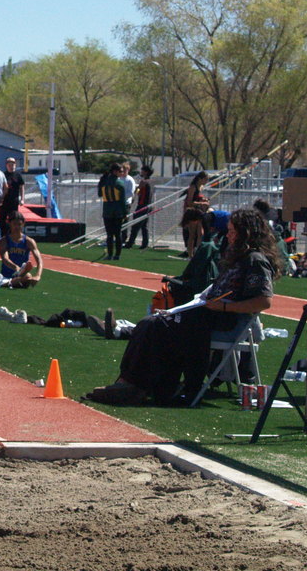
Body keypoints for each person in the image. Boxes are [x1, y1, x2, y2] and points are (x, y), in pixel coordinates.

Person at [87, 207, 280, 406]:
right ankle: (129, 383)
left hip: (226, 322)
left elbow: (264, 301)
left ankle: (138, 386)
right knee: (149, 323)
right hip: (207, 314)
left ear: (246, 233)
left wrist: (222, 307)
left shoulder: (255, 260)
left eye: (232, 231)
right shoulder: (237, 256)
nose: (228, 235)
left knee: (156, 325)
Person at [0, 211, 42, 288]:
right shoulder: (3, 241)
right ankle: (8, 283)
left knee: (28, 277)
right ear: (9, 224)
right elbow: (5, 259)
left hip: (21, 275)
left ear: (23, 224)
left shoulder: (29, 241)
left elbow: (39, 260)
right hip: (5, 275)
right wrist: (17, 268)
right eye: (14, 224)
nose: (17, 227)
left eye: (19, 224)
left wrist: (38, 275)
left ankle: (7, 283)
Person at [99, 162, 126, 260]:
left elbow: (99, 194)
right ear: (115, 171)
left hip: (107, 211)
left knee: (109, 235)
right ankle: (117, 255)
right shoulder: (120, 183)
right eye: (120, 171)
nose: (122, 173)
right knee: (118, 234)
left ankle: (110, 255)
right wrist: (125, 213)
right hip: (117, 212)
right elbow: (122, 201)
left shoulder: (103, 181)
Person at [123, 165, 153, 249]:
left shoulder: (144, 182)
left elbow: (137, 191)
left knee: (135, 225)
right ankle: (145, 244)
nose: (141, 172)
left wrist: (138, 189)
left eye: (142, 170)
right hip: (148, 205)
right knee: (144, 226)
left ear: (146, 172)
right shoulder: (150, 182)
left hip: (142, 205)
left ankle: (130, 243)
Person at [182, 171, 210, 257]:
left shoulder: (201, 187)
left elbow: (198, 198)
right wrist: (201, 203)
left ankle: (197, 253)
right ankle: (190, 254)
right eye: (205, 179)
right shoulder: (193, 187)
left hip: (199, 211)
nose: (206, 182)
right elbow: (189, 202)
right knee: (192, 234)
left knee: (200, 233)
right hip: (192, 212)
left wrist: (204, 200)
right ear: (200, 179)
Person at [0, 157, 25, 237]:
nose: (11, 166)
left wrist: (22, 199)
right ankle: (2, 235)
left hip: (14, 200)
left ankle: (12, 235)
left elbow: (22, 187)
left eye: (13, 164)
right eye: (9, 164)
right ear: (6, 165)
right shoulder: (3, 175)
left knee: (13, 218)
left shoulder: (18, 175)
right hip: (4, 200)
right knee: (2, 219)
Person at [119, 162, 137, 246]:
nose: (123, 172)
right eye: (122, 170)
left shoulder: (130, 180)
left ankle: (123, 239)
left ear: (128, 170)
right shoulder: (119, 178)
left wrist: (122, 198)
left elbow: (131, 193)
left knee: (124, 222)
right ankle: (117, 238)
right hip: (118, 203)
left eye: (125, 170)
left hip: (126, 204)